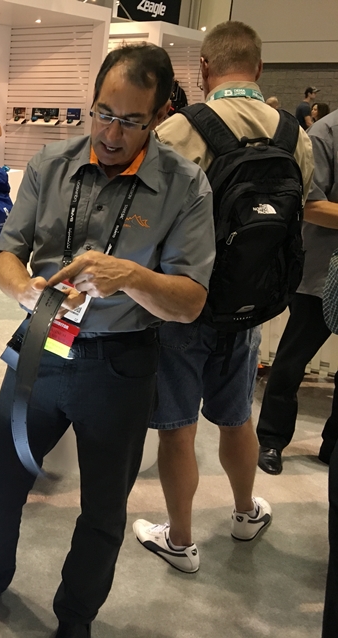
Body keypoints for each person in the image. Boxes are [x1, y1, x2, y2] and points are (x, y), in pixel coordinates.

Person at [0, 44, 215, 637]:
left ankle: (75, 618)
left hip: (121, 365)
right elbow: (8, 253)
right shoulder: (50, 164)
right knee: (1, 484)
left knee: (105, 510)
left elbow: (190, 302)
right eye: (103, 113)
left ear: (159, 116)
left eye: (131, 120)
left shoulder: (186, 185)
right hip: (41, 347)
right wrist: (25, 291)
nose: (111, 133)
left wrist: (130, 276)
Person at [133, 21, 313, 574]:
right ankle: (244, 512)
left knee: (178, 427)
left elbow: (146, 219)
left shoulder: (179, 131)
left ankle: (181, 541)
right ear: (258, 68)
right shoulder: (295, 136)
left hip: (183, 304)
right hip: (251, 304)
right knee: (237, 418)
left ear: (204, 68)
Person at [257, 107, 338, 476]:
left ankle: (332, 446)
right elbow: (311, 205)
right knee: (291, 363)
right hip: (321, 272)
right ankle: (271, 440)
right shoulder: (325, 134)